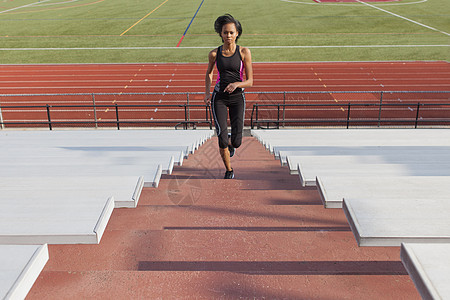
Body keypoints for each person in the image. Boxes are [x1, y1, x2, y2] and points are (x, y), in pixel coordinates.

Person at [204, 14, 253, 179]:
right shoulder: (214, 54)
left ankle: (231, 141)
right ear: (221, 34)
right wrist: (206, 93)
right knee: (222, 140)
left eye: (231, 32)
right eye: (225, 32)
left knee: (237, 142)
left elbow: (250, 81)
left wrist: (236, 84)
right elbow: (209, 73)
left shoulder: (244, 52)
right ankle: (229, 169)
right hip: (219, 98)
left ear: (237, 33)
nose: (228, 36)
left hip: (238, 98)